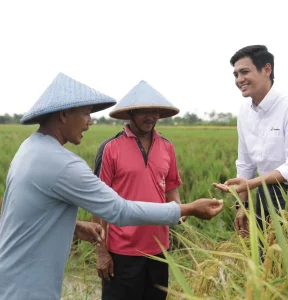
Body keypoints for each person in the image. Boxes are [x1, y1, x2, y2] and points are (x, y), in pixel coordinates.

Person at [0, 73, 223, 300]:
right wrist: (188, 209)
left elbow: (28, 211)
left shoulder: (29, 149)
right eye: (86, 113)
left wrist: (75, 226)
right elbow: (119, 210)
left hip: (13, 276)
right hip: (30, 287)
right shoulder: (64, 162)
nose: (90, 121)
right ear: (64, 114)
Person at [92, 80, 187, 300]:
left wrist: (180, 212)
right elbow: (98, 201)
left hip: (158, 250)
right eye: (144, 111)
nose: (151, 116)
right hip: (121, 252)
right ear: (131, 113)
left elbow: (171, 188)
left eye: (155, 111)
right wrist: (101, 251)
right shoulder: (110, 148)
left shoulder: (167, 147)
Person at [213, 45, 288, 237]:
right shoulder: (245, 111)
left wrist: (252, 183)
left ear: (267, 70)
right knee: (263, 255)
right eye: (235, 74)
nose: (239, 80)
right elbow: (246, 164)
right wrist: (242, 205)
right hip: (264, 191)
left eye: (245, 72)